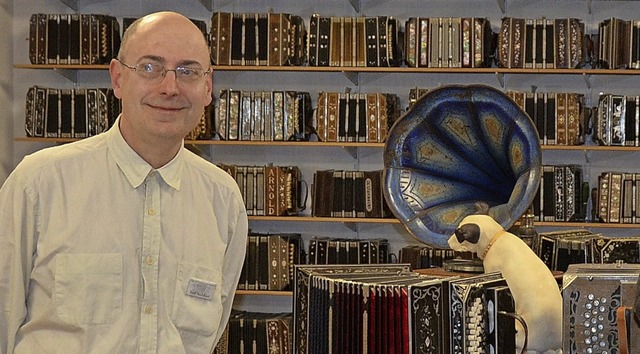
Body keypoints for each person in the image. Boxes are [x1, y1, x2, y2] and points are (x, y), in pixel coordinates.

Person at [0, 11, 248, 353]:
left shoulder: (223, 201)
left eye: (188, 71)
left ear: (208, 88)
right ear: (117, 79)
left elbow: (208, 334)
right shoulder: (40, 184)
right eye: (150, 67)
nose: (169, 87)